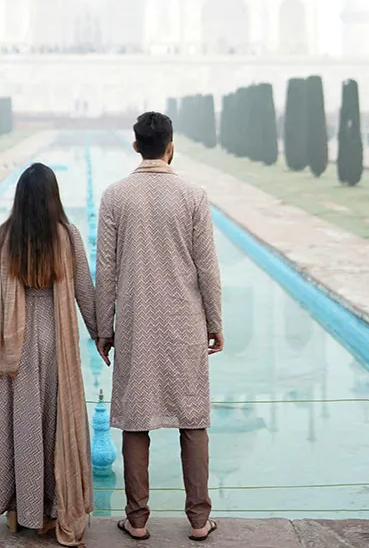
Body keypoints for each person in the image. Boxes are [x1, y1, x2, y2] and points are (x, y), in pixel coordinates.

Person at [96, 111, 223, 542]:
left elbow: (106, 269)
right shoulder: (193, 195)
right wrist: (215, 321)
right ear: (171, 145)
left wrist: (102, 326)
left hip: (135, 323)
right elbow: (207, 268)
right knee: (192, 420)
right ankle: (199, 520)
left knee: (137, 420)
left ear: (136, 146)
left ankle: (137, 520)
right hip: (184, 322)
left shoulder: (116, 195)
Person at [0, 163, 97, 547]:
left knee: (19, 428)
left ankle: (17, 511)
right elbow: (85, 294)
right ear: (53, 197)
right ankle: (47, 510)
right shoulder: (67, 236)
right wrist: (101, 335)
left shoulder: (6, 236)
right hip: (55, 340)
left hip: (15, 340)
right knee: (52, 429)